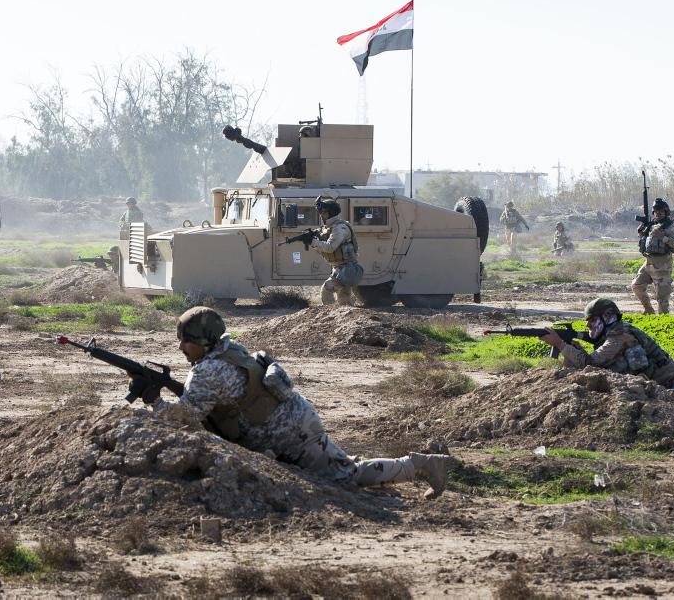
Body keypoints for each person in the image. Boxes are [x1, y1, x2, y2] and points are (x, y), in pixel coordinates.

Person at [148, 307, 457, 496]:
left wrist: (154, 401)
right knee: (341, 470)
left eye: (186, 340)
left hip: (293, 436)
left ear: (204, 342)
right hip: (295, 420)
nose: (180, 347)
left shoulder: (208, 372)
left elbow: (183, 420)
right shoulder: (229, 349)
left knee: (347, 476)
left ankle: (422, 465)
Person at [539, 298, 674, 410]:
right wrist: (571, 347)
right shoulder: (612, 333)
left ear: (608, 317)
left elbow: (591, 363)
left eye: (593, 320)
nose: (588, 325)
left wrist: (560, 344)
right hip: (661, 376)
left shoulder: (619, 337)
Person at [632, 198, 674, 315]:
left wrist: (663, 238)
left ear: (665, 213)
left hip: (663, 265)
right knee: (637, 286)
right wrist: (640, 232)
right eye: (655, 212)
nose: (658, 214)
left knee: (662, 298)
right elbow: (644, 241)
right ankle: (649, 310)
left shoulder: (670, 226)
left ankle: (663, 323)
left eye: (661, 212)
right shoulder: (651, 225)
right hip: (648, 263)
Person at [310, 197, 363, 306]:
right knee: (344, 298)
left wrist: (313, 242)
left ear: (331, 213)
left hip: (347, 269)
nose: (321, 215)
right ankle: (343, 318)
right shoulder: (331, 227)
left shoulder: (339, 228)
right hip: (339, 268)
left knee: (327, 289)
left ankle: (330, 314)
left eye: (323, 212)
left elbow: (330, 247)